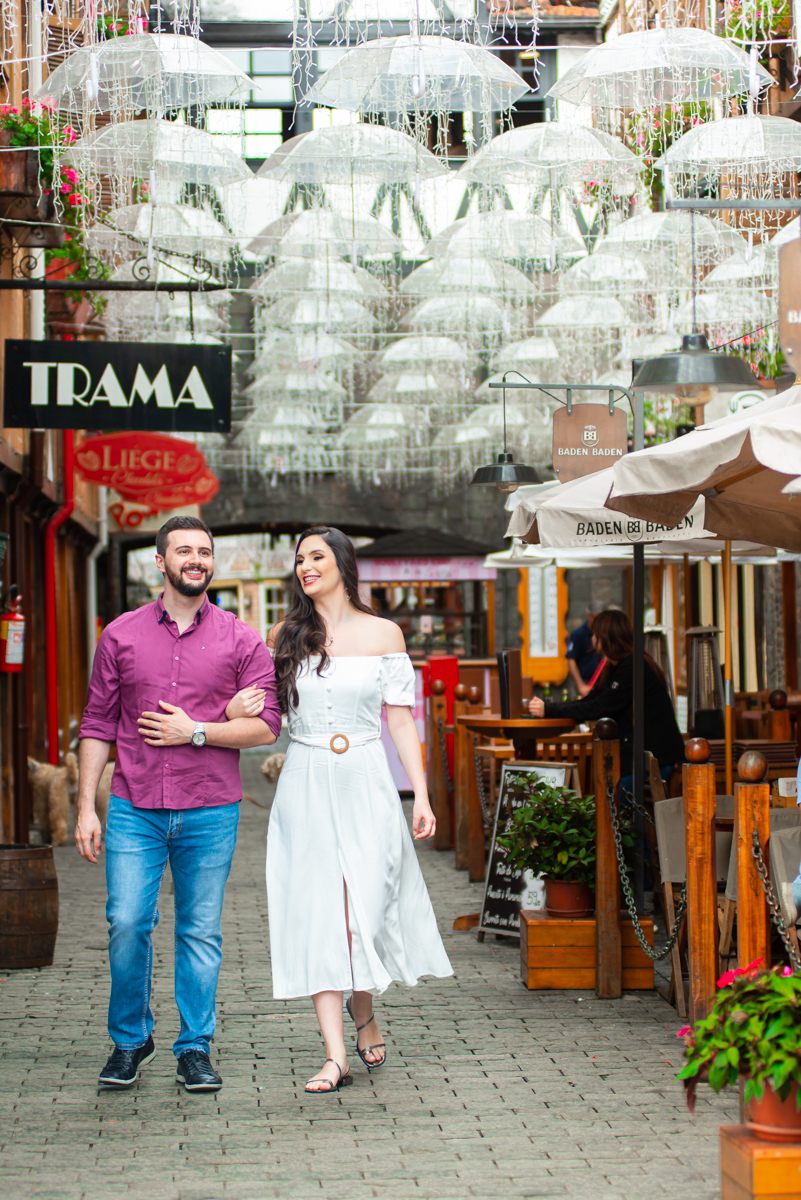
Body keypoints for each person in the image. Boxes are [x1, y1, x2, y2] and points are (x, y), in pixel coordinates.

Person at [76, 516, 282, 1094]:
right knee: (127, 921)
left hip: (210, 807)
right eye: (184, 550)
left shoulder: (242, 640)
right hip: (134, 804)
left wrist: (199, 730)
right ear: (159, 563)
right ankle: (129, 1039)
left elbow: (267, 726)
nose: (196, 559)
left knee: (200, 930)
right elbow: (97, 723)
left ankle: (194, 1045)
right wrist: (86, 807)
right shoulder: (120, 634)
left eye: (205, 551)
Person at [248, 525, 453, 1095]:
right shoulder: (284, 635)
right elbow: (265, 713)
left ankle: (365, 1012)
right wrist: (239, 703)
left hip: (366, 779)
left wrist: (423, 794)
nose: (305, 566)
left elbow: (400, 719)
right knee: (318, 908)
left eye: (316, 556)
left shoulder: (384, 632)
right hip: (307, 780)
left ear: (341, 562)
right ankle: (335, 1054)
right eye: (299, 559)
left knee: (362, 901)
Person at [529, 608, 685, 793]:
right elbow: (592, 700)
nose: (592, 639)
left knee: (614, 797)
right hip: (638, 757)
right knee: (606, 792)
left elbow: (600, 707)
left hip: (656, 758)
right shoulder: (614, 667)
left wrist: (549, 709)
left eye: (595, 634)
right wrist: (550, 709)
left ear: (607, 637)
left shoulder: (632, 666)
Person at [565, 600, 607, 697]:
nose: (598, 623)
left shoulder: (606, 634)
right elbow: (571, 661)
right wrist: (581, 686)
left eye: (601, 619)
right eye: (595, 618)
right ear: (588, 615)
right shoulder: (578, 634)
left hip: (602, 682)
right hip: (584, 681)